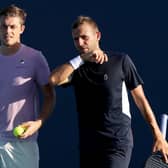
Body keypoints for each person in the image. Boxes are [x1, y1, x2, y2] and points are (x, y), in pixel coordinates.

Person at [49, 16, 168, 168]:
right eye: (76, 39)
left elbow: (141, 100)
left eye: (84, 37)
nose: (80, 43)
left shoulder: (121, 61)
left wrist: (157, 134)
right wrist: (82, 58)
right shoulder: (76, 68)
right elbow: (53, 80)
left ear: (97, 36)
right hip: (89, 146)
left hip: (117, 142)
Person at [0, 4, 55, 168]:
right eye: (3, 26)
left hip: (21, 144)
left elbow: (49, 95)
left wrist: (38, 122)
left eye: (12, 27)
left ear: (21, 29)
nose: (7, 31)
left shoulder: (35, 58)